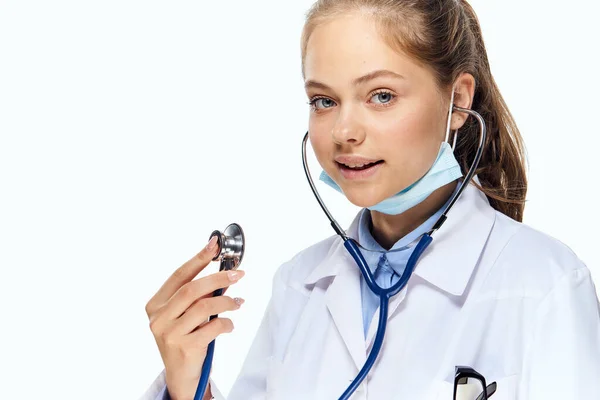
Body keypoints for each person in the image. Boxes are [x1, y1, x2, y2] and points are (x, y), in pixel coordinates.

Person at [141, 1, 600, 399]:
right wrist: (188, 387)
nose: (344, 131)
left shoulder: (545, 285)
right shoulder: (298, 286)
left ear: (458, 102)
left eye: (381, 96)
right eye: (323, 101)